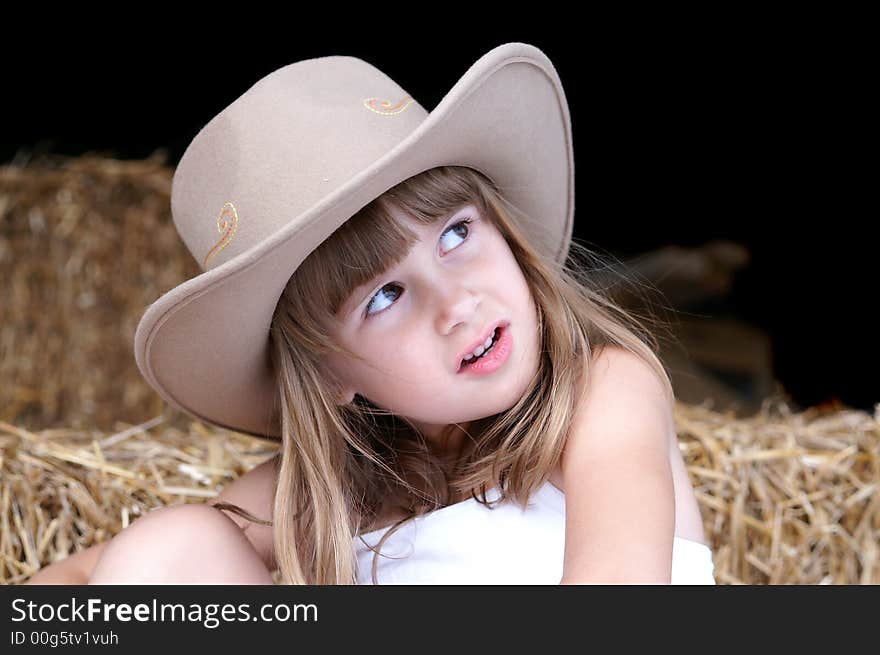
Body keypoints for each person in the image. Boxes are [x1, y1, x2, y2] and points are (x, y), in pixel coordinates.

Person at [25, 42, 714, 586]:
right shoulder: (346, 487)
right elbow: (101, 573)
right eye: (384, 296)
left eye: (455, 234)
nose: (455, 303)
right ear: (330, 375)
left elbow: (620, 584)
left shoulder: (599, 394)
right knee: (175, 545)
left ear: (506, 232)